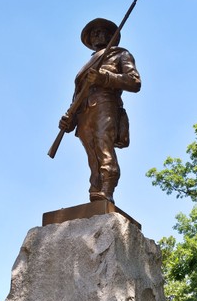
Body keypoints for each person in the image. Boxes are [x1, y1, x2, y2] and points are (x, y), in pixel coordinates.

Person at [58, 17, 141, 203]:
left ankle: (107, 190)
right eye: (94, 33)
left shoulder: (120, 54)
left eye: (103, 31)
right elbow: (77, 95)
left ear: (111, 35)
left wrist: (105, 77)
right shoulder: (86, 66)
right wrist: (69, 120)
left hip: (105, 104)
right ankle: (95, 190)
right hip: (84, 113)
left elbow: (135, 82)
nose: (99, 35)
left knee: (104, 147)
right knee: (92, 156)